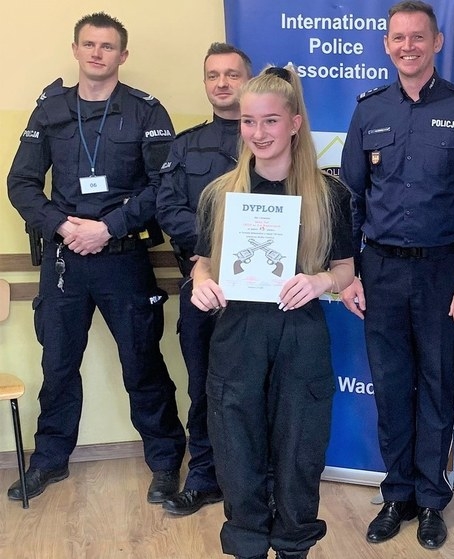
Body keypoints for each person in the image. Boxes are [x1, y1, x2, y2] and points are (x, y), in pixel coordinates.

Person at [6, 12, 186, 503]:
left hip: (123, 257)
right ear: (75, 49)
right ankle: (49, 461)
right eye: (89, 44)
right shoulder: (50, 111)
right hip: (65, 259)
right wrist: (63, 226)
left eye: (107, 46)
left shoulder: (147, 112)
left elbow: (164, 187)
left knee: (142, 365)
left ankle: (165, 462)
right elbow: (21, 183)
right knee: (58, 366)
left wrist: (109, 227)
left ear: (123, 55)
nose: (97, 53)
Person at [339, 0, 454, 550]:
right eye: (398, 38)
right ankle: (397, 494)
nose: (408, 46)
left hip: (442, 273)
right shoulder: (369, 110)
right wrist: (349, 272)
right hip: (380, 271)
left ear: (437, 43)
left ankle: (431, 500)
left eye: (418, 37)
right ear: (387, 46)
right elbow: (351, 198)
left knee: (435, 386)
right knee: (389, 387)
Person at [190, 66, 355, 559]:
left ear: (294, 123)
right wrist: (201, 284)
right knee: (236, 450)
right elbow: (203, 263)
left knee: (300, 449)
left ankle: (293, 545)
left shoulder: (328, 195)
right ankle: (246, 545)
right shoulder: (221, 194)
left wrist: (319, 282)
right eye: (248, 121)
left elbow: (345, 269)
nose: (258, 133)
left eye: (270, 121)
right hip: (237, 331)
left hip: (300, 332)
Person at [155, 43, 252, 516]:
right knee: (204, 387)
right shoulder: (185, 145)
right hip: (202, 286)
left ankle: (256, 482)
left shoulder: (270, 138)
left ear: (248, 81)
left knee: (256, 388)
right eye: (213, 75)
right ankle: (204, 478)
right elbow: (168, 208)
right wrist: (217, 248)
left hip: (259, 290)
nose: (222, 83)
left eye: (232, 74)